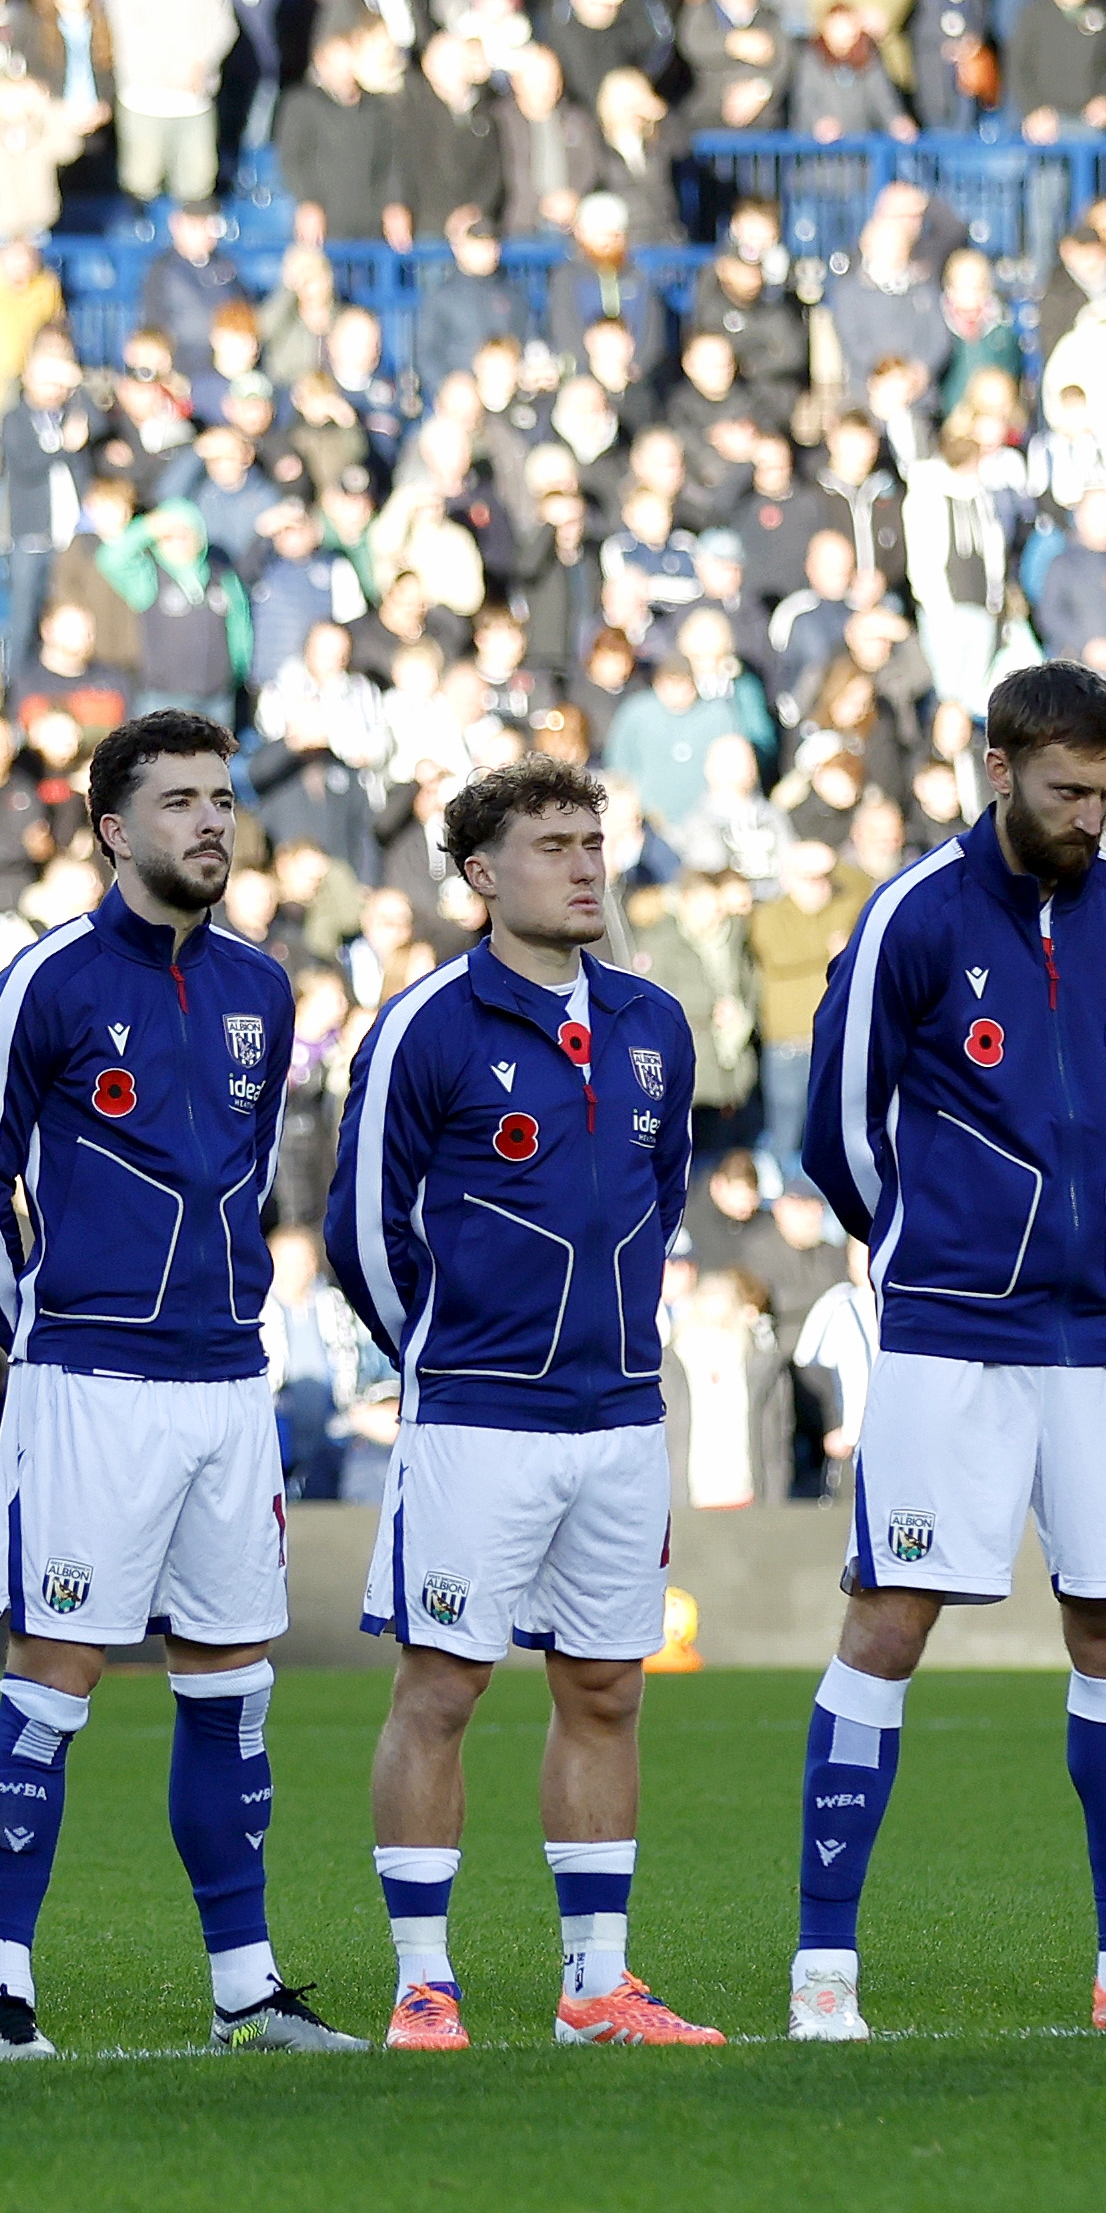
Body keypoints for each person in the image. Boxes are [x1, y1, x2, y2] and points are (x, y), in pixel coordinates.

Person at [787, 661, 1106, 2040]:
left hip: (1102, 1332)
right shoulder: (912, 918)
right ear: (997, 768)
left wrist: (1093, 1233)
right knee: (890, 1620)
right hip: (949, 1330)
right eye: (1067, 789)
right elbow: (839, 1121)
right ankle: (827, 1971)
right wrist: (931, 1243)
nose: (1091, 814)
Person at [0, 710, 359, 2057]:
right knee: (54, 1686)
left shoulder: (259, 986)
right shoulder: (47, 980)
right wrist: (32, 1332)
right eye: (178, 801)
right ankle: (4, 1986)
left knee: (232, 1692)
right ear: (114, 828)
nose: (211, 823)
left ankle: (246, 1985)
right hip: (92, 1383)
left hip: (229, 1382)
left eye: (222, 798)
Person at [334, 758, 719, 2049]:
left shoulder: (656, 1020)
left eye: (595, 840)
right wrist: (443, 1358)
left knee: (606, 1687)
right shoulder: (423, 1026)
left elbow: (658, 1198)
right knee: (441, 1689)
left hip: (616, 1416)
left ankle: (596, 1983)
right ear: (484, 873)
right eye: (555, 843)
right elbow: (361, 1232)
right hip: (478, 1421)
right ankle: (422, 1979)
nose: (588, 863)